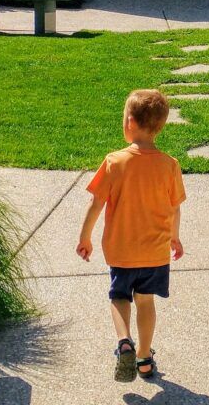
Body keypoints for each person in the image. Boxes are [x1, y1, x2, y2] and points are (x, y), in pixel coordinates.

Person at [77, 88, 187, 382]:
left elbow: (96, 204)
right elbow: (175, 209)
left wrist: (85, 238)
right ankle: (144, 359)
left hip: (121, 251)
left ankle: (124, 341)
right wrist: (175, 238)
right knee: (146, 301)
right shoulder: (170, 165)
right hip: (154, 252)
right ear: (160, 127)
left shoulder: (114, 162)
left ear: (130, 123)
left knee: (119, 298)